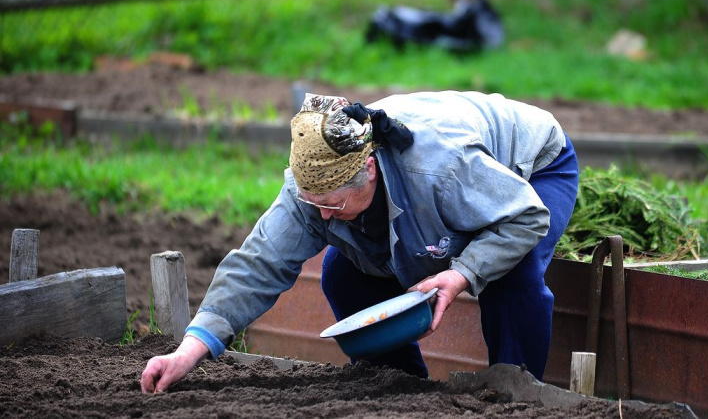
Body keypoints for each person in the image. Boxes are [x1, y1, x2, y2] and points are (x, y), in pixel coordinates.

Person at [140, 90, 579, 394]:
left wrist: (462, 273)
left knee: (510, 273)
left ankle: (513, 397)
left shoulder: (439, 169)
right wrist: (188, 351)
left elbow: (525, 216)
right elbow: (257, 264)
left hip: (532, 163)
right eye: (315, 205)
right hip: (450, 177)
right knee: (341, 273)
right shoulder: (311, 194)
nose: (324, 216)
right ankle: (402, 388)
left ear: (369, 169)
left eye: (333, 203)